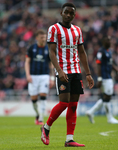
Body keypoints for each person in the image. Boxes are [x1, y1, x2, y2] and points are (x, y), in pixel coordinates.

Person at [40, 3, 94, 147]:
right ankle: (46, 128)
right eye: (66, 12)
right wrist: (59, 70)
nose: (69, 15)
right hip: (62, 71)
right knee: (64, 103)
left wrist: (88, 73)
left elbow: (82, 52)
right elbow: (51, 51)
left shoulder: (77, 30)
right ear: (61, 12)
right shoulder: (53, 29)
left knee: (73, 105)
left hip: (76, 71)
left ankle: (69, 139)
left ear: (74, 15)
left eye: (72, 13)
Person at [86, 36, 118, 124]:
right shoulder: (101, 51)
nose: (110, 41)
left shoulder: (109, 51)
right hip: (104, 78)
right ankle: (109, 118)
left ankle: (91, 112)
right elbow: (98, 65)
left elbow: (111, 64)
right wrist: (99, 78)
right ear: (103, 41)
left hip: (108, 77)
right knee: (107, 97)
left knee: (105, 97)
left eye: (110, 40)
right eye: (108, 40)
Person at [25, 29, 54, 125]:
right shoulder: (31, 48)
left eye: (45, 37)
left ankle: (41, 118)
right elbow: (27, 62)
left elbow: (51, 64)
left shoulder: (48, 49)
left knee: (43, 96)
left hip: (44, 76)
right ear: (37, 38)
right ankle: (37, 114)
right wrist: (28, 75)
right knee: (33, 99)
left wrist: (52, 78)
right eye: (42, 37)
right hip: (33, 76)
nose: (44, 39)